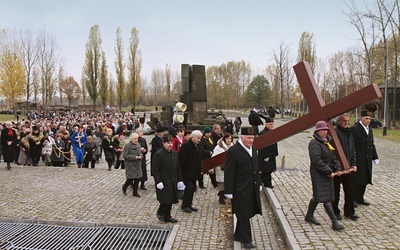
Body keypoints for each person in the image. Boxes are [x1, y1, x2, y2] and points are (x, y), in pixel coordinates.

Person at [224, 127, 262, 249]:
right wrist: (229, 191)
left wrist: (259, 183)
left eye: (253, 138)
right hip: (239, 188)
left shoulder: (254, 149)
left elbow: (256, 168)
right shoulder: (234, 151)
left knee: (246, 211)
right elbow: (229, 172)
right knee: (244, 214)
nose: (251, 140)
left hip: (251, 187)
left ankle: (237, 235)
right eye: (248, 138)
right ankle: (247, 241)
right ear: (242, 137)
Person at [304, 121, 345, 231]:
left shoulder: (327, 142)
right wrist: (328, 171)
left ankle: (309, 215)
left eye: (326, 130)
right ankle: (334, 222)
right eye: (322, 130)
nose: (325, 131)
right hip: (318, 173)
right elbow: (316, 161)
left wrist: (338, 168)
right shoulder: (314, 143)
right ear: (317, 131)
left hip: (327, 172)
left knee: (318, 195)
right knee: (325, 198)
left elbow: (333, 158)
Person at [152, 134, 184, 223]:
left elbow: (178, 168)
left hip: (173, 180)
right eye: (167, 143)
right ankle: (161, 212)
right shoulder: (158, 154)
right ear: (163, 143)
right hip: (164, 181)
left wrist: (180, 180)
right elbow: (155, 170)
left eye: (171, 143)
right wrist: (158, 181)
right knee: (166, 200)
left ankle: (168, 216)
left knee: (171, 199)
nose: (170, 145)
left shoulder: (174, 153)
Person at [350, 110, 379, 206]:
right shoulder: (355, 129)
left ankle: (360, 198)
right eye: (366, 118)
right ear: (361, 118)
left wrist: (375, 157)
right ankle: (353, 199)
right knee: (357, 180)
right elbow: (352, 145)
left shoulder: (369, 129)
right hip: (358, 159)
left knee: (365, 179)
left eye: (370, 119)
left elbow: (371, 144)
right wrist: (352, 160)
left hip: (367, 159)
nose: (368, 121)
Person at [333, 114, 359, 221]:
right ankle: (335, 212)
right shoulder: (334, 133)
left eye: (347, 121)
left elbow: (352, 149)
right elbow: (333, 153)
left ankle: (349, 212)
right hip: (338, 169)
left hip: (348, 168)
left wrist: (353, 164)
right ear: (338, 121)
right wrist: (338, 168)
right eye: (344, 121)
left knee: (349, 191)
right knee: (336, 192)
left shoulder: (349, 133)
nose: (346, 123)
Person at [179, 130, 202, 213]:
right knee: (189, 188)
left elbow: (199, 158)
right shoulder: (186, 146)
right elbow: (181, 160)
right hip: (186, 171)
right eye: (198, 138)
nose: (199, 140)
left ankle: (189, 204)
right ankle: (184, 205)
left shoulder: (198, 146)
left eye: (200, 138)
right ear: (192, 137)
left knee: (193, 189)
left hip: (194, 171)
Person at [212, 132, 234, 204]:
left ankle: (228, 195)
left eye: (230, 139)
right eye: (227, 138)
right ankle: (221, 197)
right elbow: (214, 157)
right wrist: (212, 168)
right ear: (224, 139)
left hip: (230, 167)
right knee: (222, 184)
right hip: (221, 168)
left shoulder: (233, 146)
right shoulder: (219, 147)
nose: (229, 140)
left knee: (229, 183)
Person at [258, 117, 278, 188]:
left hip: (272, 154)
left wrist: (276, 153)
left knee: (269, 170)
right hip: (265, 155)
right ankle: (267, 184)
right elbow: (262, 146)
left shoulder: (273, 132)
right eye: (270, 124)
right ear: (266, 125)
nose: (272, 126)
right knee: (266, 170)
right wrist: (265, 156)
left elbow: (275, 143)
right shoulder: (262, 133)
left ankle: (261, 180)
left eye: (272, 124)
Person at [122, 132, 143, 197]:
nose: (136, 140)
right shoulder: (127, 146)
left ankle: (135, 192)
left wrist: (140, 156)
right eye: (135, 139)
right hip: (130, 165)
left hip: (137, 164)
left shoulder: (138, 145)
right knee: (130, 178)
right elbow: (125, 156)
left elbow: (140, 153)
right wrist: (134, 157)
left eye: (137, 139)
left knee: (137, 178)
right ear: (131, 139)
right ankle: (124, 186)